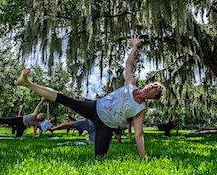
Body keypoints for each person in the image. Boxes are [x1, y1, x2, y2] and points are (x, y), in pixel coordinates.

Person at [15, 35, 166, 159]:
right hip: (94, 107)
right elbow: (129, 65)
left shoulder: (140, 109)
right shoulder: (131, 83)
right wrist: (134, 47)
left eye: (156, 88)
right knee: (62, 97)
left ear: (154, 96)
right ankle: (28, 83)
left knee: (100, 158)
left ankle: (99, 149)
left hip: (106, 126)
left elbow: (139, 135)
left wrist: (144, 157)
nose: (153, 86)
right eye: (154, 84)